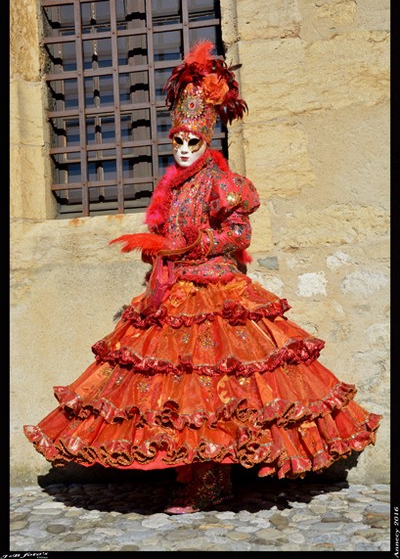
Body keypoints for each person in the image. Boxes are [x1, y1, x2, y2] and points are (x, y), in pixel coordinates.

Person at [24, 40, 381, 515]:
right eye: (179, 141)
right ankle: (191, 475)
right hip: (174, 292)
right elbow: (166, 236)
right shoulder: (171, 186)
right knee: (180, 393)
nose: (186, 149)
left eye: (194, 141)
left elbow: (239, 231)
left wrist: (197, 244)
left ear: (207, 139)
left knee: (217, 388)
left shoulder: (220, 181)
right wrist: (163, 256)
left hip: (216, 292)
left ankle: (210, 482)